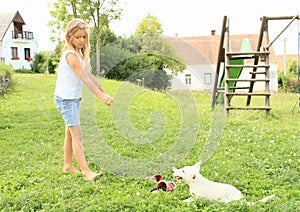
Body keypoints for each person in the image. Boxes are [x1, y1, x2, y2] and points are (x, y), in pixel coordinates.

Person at [54, 18, 113, 181]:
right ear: (69, 37)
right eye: (77, 37)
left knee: (70, 133)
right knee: (77, 136)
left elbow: (89, 76)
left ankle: (67, 165)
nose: (81, 40)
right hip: (66, 100)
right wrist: (100, 96)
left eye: (84, 37)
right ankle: (86, 171)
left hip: (73, 99)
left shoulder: (79, 54)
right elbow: (85, 79)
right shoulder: (71, 56)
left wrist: (104, 92)